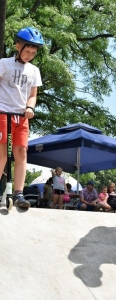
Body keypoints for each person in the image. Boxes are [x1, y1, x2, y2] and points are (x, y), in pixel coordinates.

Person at [0, 27, 44, 208]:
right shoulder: (4, 63)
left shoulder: (34, 71)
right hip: (2, 113)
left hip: (21, 116)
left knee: (21, 152)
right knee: (2, 152)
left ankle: (18, 193)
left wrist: (30, 107)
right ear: (18, 46)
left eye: (33, 53)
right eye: (27, 51)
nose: (30, 55)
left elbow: (33, 95)